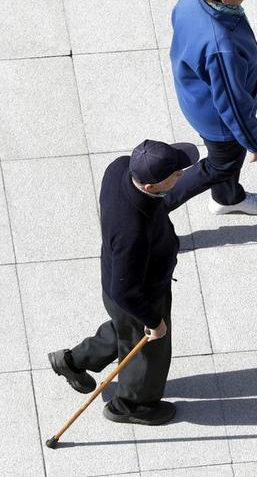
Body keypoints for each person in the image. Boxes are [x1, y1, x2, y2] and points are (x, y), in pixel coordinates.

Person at [48, 140, 199, 426]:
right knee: (148, 351)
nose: (181, 173)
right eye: (176, 173)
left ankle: (73, 361)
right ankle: (132, 405)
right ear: (150, 186)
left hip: (122, 278)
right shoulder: (133, 232)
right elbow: (125, 292)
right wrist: (155, 321)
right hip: (137, 293)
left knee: (125, 330)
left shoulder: (119, 168)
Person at [165, 0, 257, 216]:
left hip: (195, 95)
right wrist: (253, 140)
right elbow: (233, 104)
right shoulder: (221, 46)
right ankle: (157, 203)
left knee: (226, 162)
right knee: (221, 165)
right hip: (217, 119)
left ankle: (227, 198)